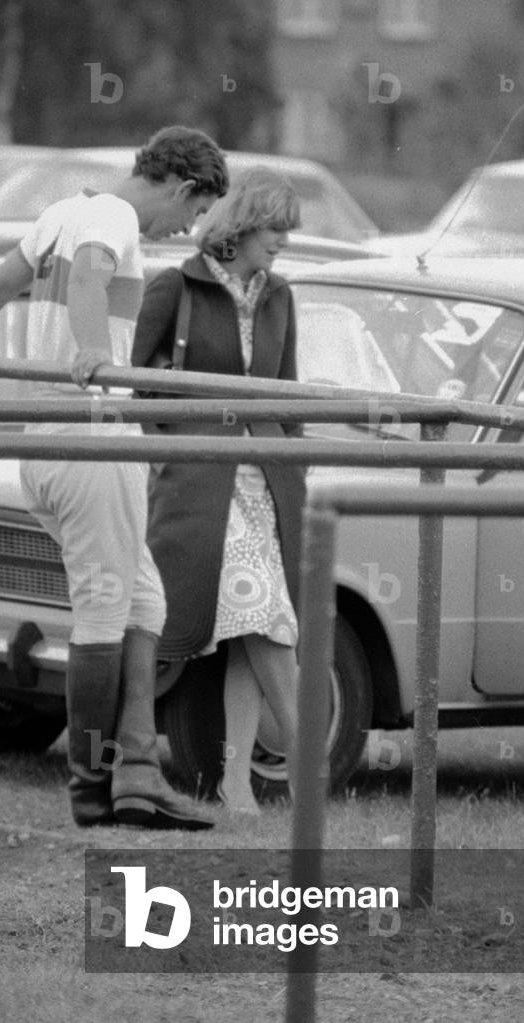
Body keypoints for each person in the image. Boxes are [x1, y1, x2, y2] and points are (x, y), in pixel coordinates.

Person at [0, 126, 229, 830]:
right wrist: (94, 354)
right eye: (195, 212)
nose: (187, 229)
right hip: (89, 435)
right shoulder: (113, 219)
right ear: (182, 186)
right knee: (103, 607)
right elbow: (89, 276)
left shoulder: (61, 211)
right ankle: (91, 785)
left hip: (52, 441)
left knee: (143, 605)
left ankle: (137, 772)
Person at [131, 168, 305, 814]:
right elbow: (136, 386)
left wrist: (296, 469)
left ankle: (236, 784)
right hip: (203, 482)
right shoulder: (174, 284)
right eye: (275, 229)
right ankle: (308, 761)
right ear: (241, 226)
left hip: (267, 482)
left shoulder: (281, 294)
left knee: (252, 626)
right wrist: (169, 451)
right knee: (262, 614)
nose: (283, 242)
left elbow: (289, 394)